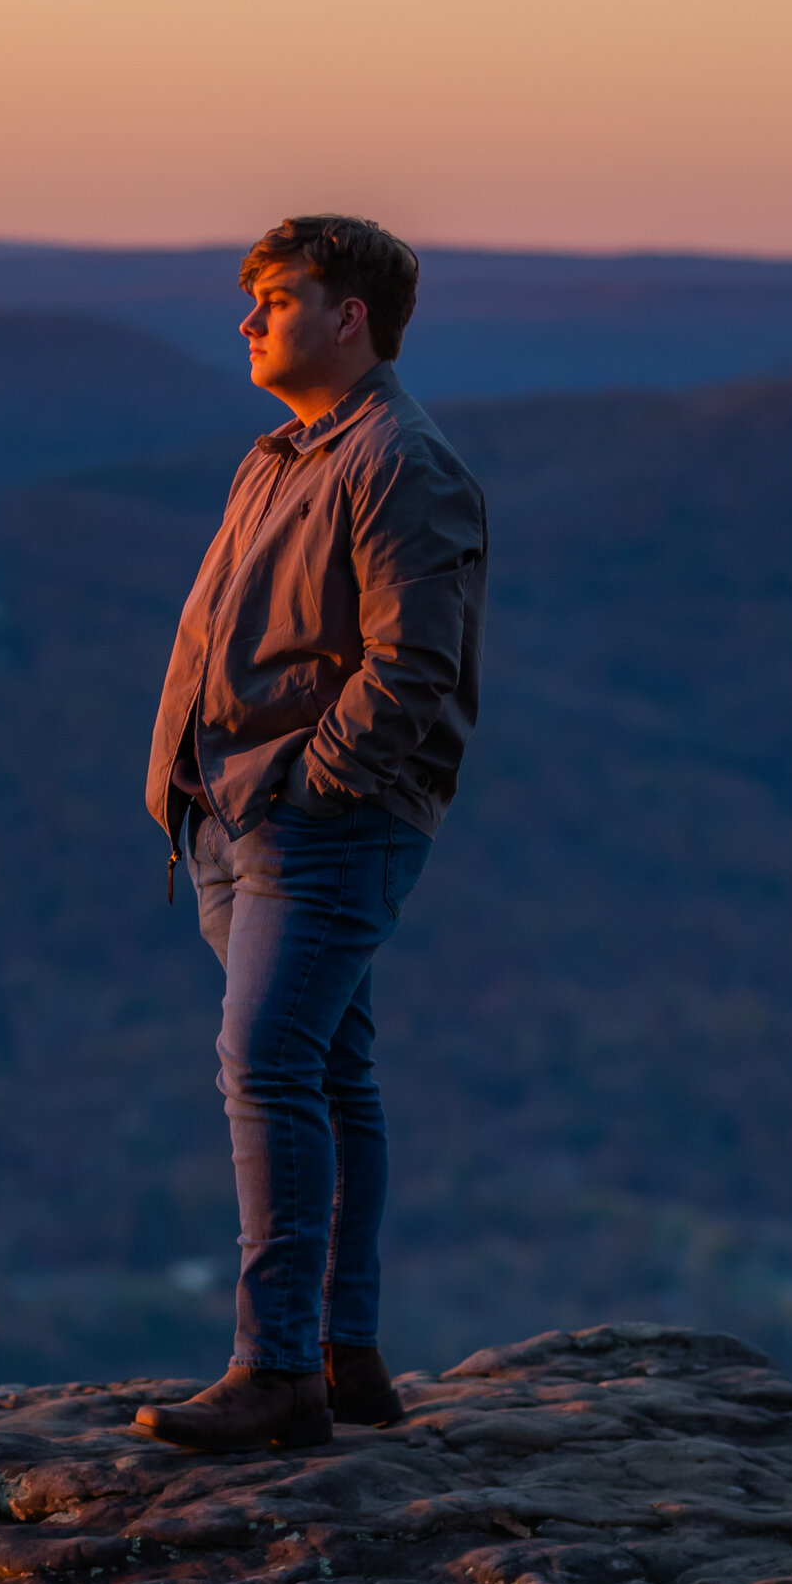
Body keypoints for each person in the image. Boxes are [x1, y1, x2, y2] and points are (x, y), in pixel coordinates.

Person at [137, 215, 488, 1455]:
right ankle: (345, 1357)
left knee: (266, 1067)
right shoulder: (279, 457)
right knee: (328, 1069)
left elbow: (411, 664)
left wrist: (314, 787)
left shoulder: (402, 462)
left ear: (352, 318)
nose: (248, 322)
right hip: (236, 813)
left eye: (275, 300)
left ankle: (276, 1368)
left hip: (316, 821)